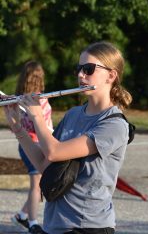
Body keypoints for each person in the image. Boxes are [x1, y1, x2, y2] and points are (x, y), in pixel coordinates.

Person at [4, 41, 132, 234]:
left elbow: (55, 152)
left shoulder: (114, 125)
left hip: (87, 226)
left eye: (89, 69)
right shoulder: (73, 115)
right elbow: (44, 164)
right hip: (55, 225)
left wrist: (37, 115)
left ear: (111, 75)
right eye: (79, 69)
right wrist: (18, 129)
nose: (81, 75)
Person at [11, 61, 53, 234]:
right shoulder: (25, 100)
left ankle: (22, 216)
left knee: (40, 185)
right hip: (32, 145)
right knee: (37, 184)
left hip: (35, 144)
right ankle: (33, 223)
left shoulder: (31, 98)